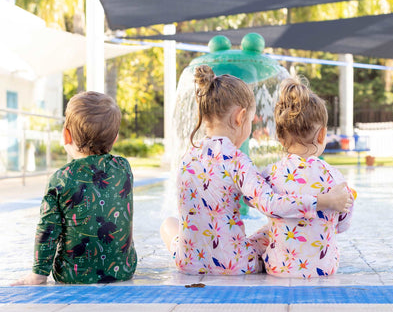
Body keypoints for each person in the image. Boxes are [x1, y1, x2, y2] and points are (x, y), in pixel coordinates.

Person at [160, 65, 352, 275]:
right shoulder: (237, 161)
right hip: (234, 264)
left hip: (188, 262)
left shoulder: (188, 157)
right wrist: (324, 201)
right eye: (251, 121)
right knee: (271, 230)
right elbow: (270, 204)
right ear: (240, 117)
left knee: (168, 224)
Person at [12, 92, 137, 285]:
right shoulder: (123, 168)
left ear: (66, 134)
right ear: (115, 138)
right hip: (123, 269)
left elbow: (48, 229)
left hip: (73, 274)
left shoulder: (61, 179)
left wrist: (38, 273)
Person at [261, 76, 356, 278]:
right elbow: (343, 225)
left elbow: (252, 199)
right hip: (324, 268)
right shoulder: (335, 177)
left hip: (278, 269)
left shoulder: (270, 174)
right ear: (322, 135)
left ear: (279, 136)